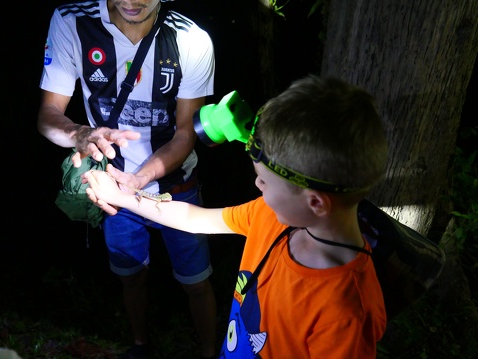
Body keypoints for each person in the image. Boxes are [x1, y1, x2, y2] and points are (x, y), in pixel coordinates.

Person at [83, 75, 389, 358]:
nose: (257, 185)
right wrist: (125, 197)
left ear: (316, 203)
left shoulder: (346, 313)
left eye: (264, 181)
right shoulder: (270, 216)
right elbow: (193, 217)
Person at [37, 1, 217, 358]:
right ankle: (140, 346)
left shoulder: (192, 40)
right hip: (113, 186)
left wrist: (141, 179)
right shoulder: (72, 20)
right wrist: (79, 134)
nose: (132, 1)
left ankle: (213, 352)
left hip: (174, 185)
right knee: (130, 275)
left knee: (197, 281)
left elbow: (185, 133)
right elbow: (48, 114)